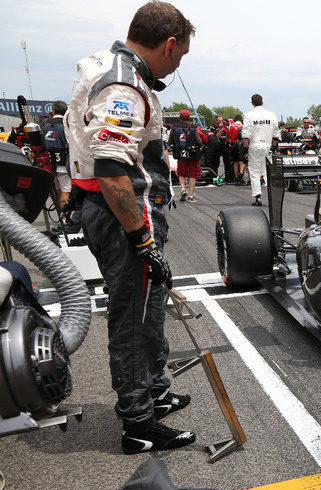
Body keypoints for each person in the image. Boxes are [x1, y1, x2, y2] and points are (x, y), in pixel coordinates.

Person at [66, 1, 195, 453]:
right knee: (134, 319)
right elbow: (111, 168)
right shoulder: (123, 81)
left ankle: (154, 393)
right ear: (169, 43)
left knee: (149, 308)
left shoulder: (120, 70)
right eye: (178, 57)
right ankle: (138, 423)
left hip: (119, 213)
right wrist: (141, 237)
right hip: (122, 217)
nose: (177, 65)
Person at [241, 93, 279, 206]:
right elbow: (276, 133)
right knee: (267, 171)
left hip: (254, 146)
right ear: (262, 102)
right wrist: (274, 146)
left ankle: (257, 198)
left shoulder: (248, 115)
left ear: (252, 103)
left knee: (254, 173)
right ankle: (272, 196)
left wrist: (244, 150)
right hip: (267, 145)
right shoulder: (271, 115)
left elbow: (246, 134)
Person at [168, 108, 203, 202]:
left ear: (180, 117)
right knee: (193, 174)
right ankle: (191, 196)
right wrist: (201, 146)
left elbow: (170, 140)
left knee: (181, 173)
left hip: (180, 152)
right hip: (192, 153)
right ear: (189, 117)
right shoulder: (193, 127)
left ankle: (183, 189)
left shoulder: (174, 127)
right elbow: (199, 141)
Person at [42, 100, 70, 211]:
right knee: (66, 190)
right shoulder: (67, 123)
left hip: (49, 162)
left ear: (53, 110)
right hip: (63, 162)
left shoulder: (46, 123)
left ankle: (59, 212)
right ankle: (63, 218)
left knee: (56, 188)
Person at [228, 113, 245, 184]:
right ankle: (241, 178)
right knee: (241, 162)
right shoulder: (242, 126)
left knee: (235, 162)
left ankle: (236, 177)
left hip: (232, 145)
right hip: (240, 145)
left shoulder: (230, 126)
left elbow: (228, 137)